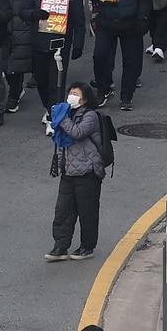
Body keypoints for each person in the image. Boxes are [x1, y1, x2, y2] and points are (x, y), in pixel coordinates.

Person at [87, 0, 154, 111]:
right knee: (100, 56)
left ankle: (127, 95)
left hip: (130, 21)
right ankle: (103, 89)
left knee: (131, 60)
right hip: (106, 20)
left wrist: (143, 18)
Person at [46, 83, 111, 261]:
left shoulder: (90, 116)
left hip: (87, 172)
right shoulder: (67, 113)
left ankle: (87, 247)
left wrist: (61, 117)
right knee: (63, 211)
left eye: (75, 94)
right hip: (68, 171)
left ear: (85, 98)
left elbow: (77, 132)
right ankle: (60, 247)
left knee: (87, 211)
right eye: (70, 93)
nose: (71, 97)